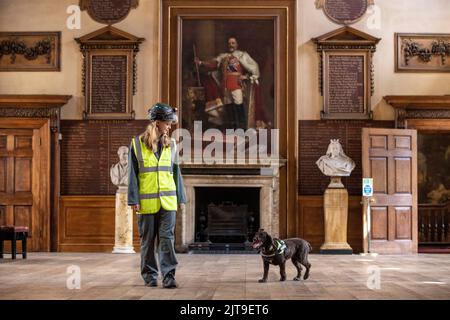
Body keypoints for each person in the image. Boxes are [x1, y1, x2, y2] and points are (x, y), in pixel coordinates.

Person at [128, 102, 186, 289]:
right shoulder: (136, 144)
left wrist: (180, 197)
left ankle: (169, 276)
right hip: (145, 202)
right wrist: (133, 199)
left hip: (168, 201)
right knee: (147, 241)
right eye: (168, 122)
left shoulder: (173, 145)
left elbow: (176, 172)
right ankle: (149, 276)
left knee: (167, 240)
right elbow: (132, 175)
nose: (170, 126)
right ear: (157, 122)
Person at [195, 36, 260, 129]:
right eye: (229, 43)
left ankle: (241, 129)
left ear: (237, 45)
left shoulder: (242, 55)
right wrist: (201, 63)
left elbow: (253, 68)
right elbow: (213, 64)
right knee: (229, 107)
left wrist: (246, 77)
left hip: (237, 85)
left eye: (233, 43)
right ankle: (231, 129)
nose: (231, 45)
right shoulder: (223, 56)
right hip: (226, 85)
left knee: (239, 106)